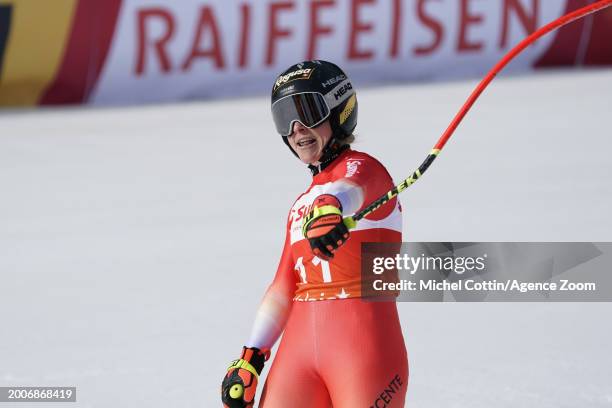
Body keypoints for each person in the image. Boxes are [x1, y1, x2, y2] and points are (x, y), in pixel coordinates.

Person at [221, 60, 408, 408]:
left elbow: (354, 187)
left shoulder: (367, 169)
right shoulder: (299, 206)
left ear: (339, 110)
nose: (296, 129)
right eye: (284, 119)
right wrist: (251, 357)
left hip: (362, 347)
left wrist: (330, 204)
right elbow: (283, 285)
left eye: (307, 111)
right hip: (298, 350)